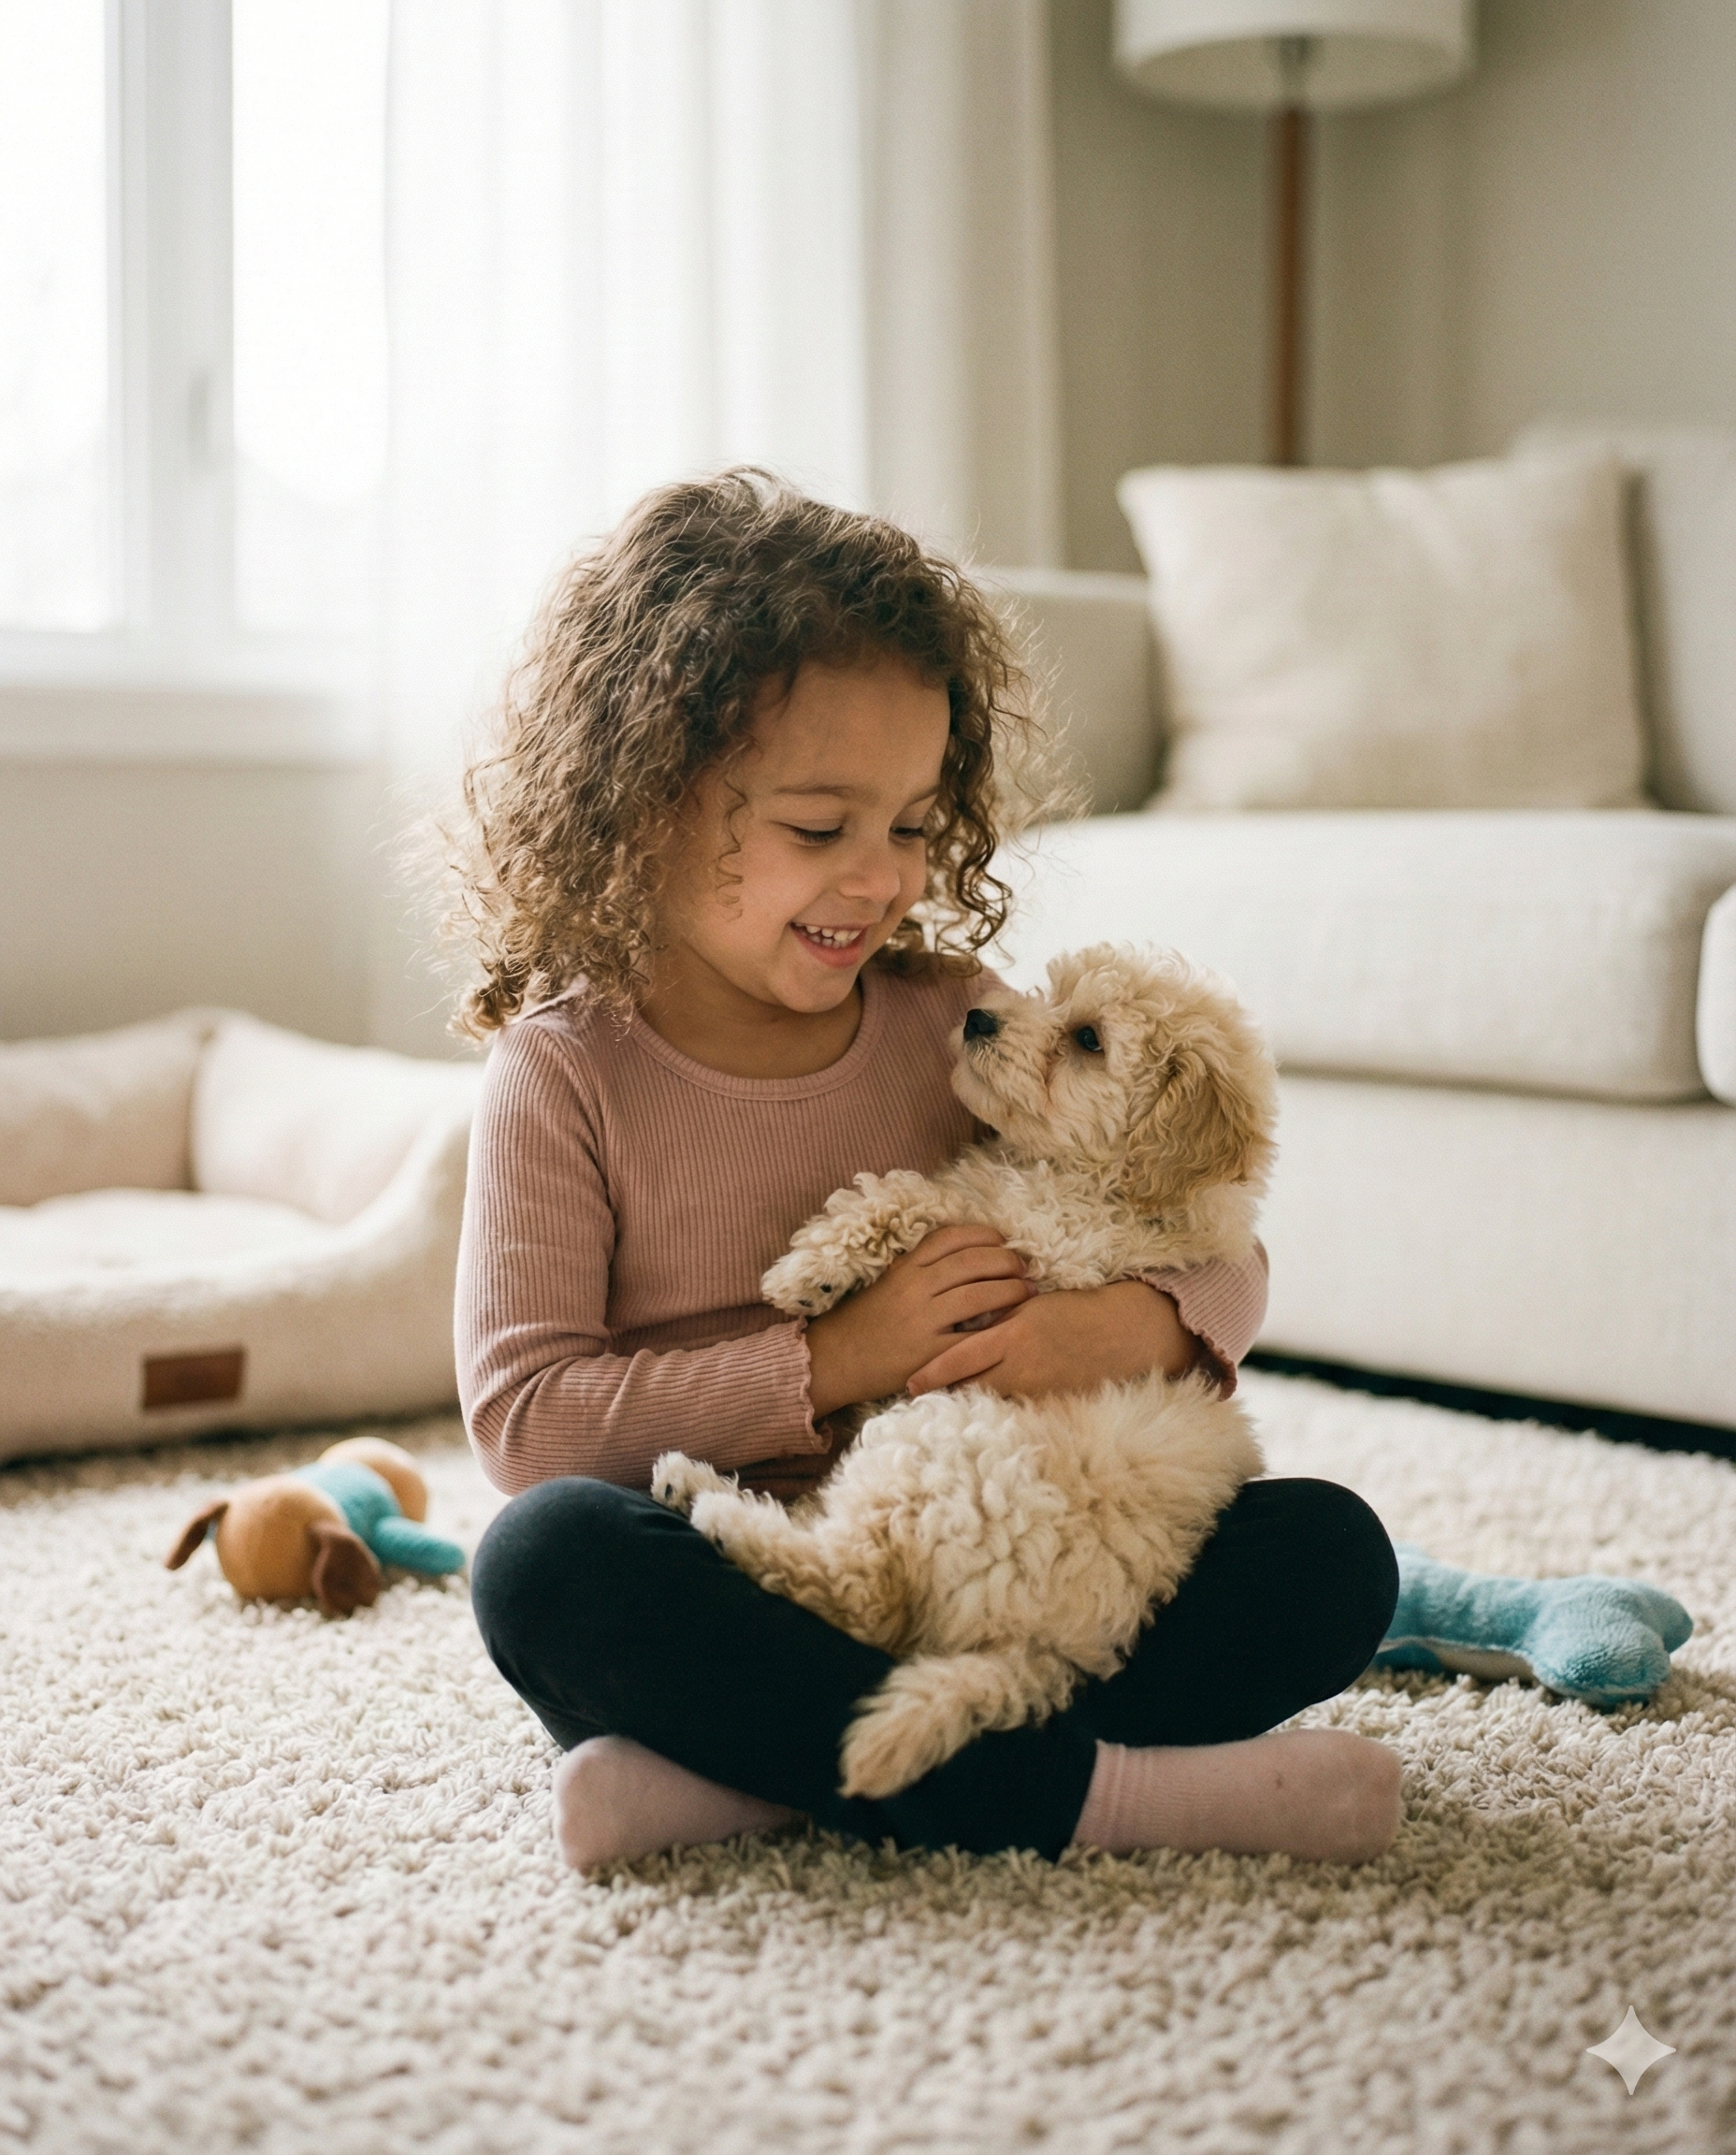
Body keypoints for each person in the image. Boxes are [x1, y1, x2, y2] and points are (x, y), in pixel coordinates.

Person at [451, 469, 1405, 1873]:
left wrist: (1130, 1324)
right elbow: (528, 1425)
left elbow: (1209, 1246)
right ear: (646, 805)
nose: (881, 878)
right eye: (819, 828)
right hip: (747, 1574)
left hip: (994, 1584)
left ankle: (743, 1787)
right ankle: (1115, 1799)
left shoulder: (951, 1019)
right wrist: (832, 1359)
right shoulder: (563, 1071)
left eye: (911, 825)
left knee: (1330, 1556)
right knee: (544, 1565)